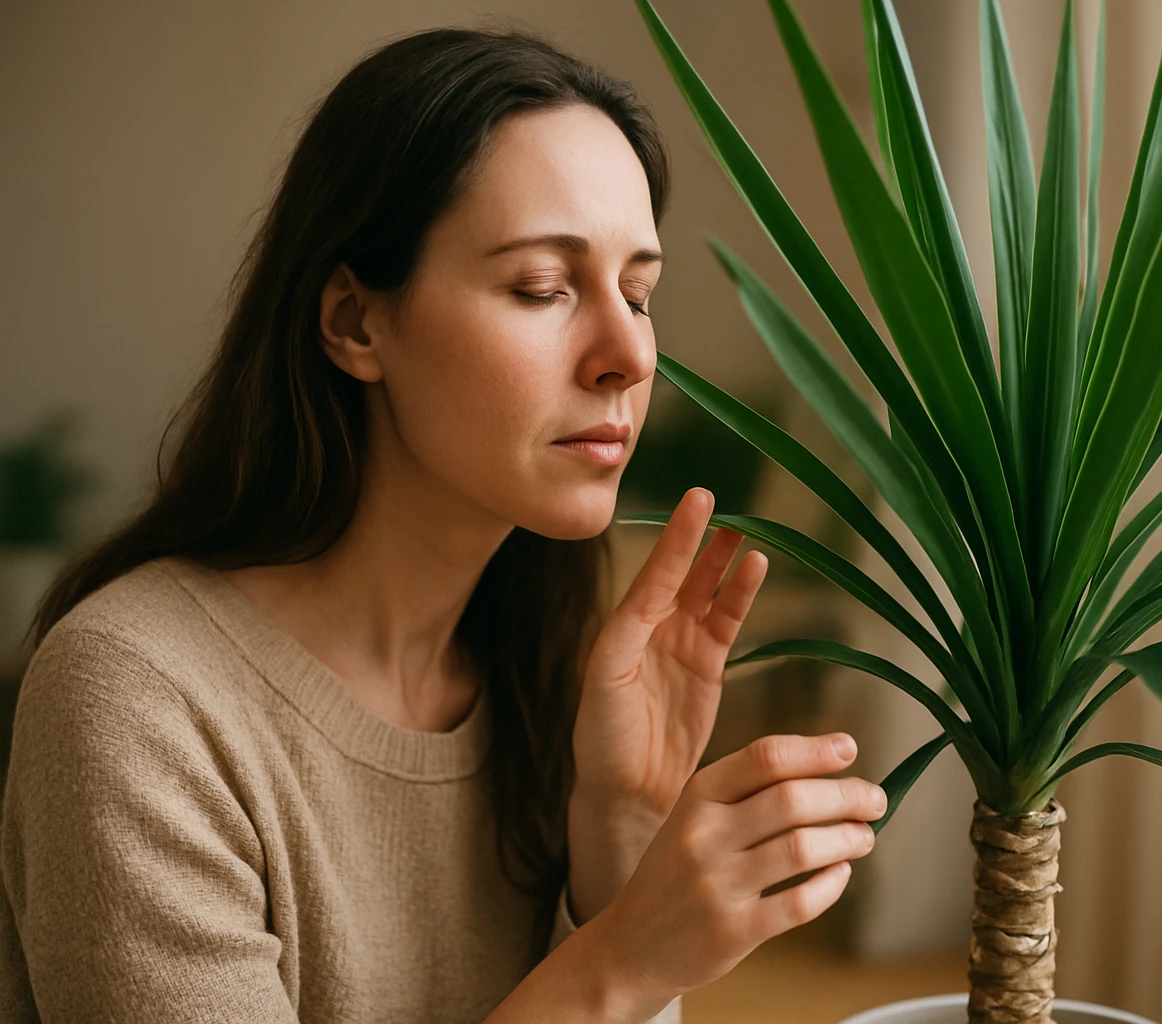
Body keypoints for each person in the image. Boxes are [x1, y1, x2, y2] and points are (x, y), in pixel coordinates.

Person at [0, 24, 887, 1024]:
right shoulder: (137, 699)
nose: (631, 356)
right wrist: (622, 959)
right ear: (355, 322)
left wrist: (622, 836)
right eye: (542, 288)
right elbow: (605, 988)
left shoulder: (552, 673)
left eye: (639, 292)